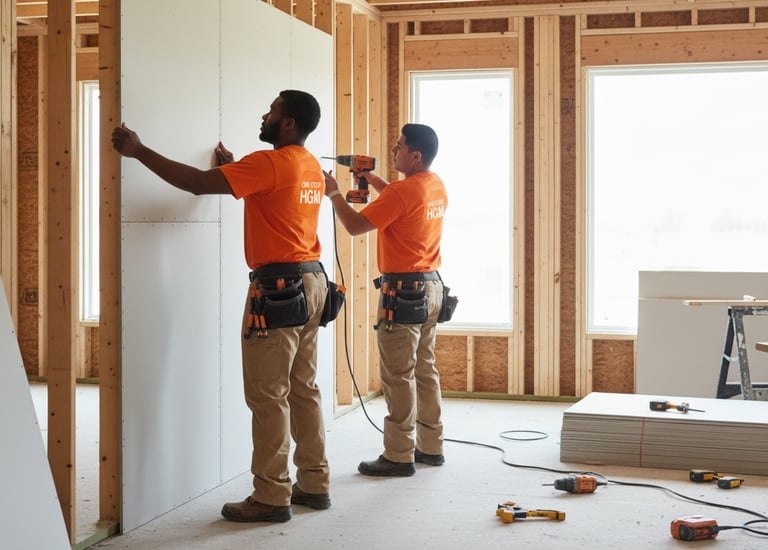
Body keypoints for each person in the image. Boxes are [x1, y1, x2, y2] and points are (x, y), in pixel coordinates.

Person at [111, 90, 332, 522]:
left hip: (278, 291)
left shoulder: (269, 163)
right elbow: (273, 198)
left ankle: (271, 495)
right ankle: (314, 482)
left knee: (269, 396)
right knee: (303, 388)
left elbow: (196, 182)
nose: (265, 115)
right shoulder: (309, 166)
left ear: (288, 123)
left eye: (273, 110)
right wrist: (235, 170)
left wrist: (138, 151)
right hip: (312, 284)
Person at [323, 123, 447, 477]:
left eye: (400, 146)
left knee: (398, 376)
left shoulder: (402, 192)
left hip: (403, 294)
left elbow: (355, 226)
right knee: (424, 369)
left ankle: (398, 455)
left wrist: (334, 193)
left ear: (415, 155)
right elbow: (401, 201)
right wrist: (374, 180)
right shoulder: (434, 184)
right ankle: (431, 447)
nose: (394, 150)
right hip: (431, 288)